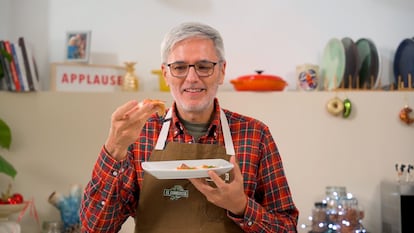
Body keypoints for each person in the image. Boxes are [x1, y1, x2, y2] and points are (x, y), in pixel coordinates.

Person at [80, 22, 299, 233]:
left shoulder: (255, 135)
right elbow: (95, 228)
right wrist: (114, 148)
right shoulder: (140, 135)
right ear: (166, 73)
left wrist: (242, 206)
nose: (192, 78)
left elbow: (287, 227)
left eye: (204, 67)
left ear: (222, 71)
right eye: (180, 67)